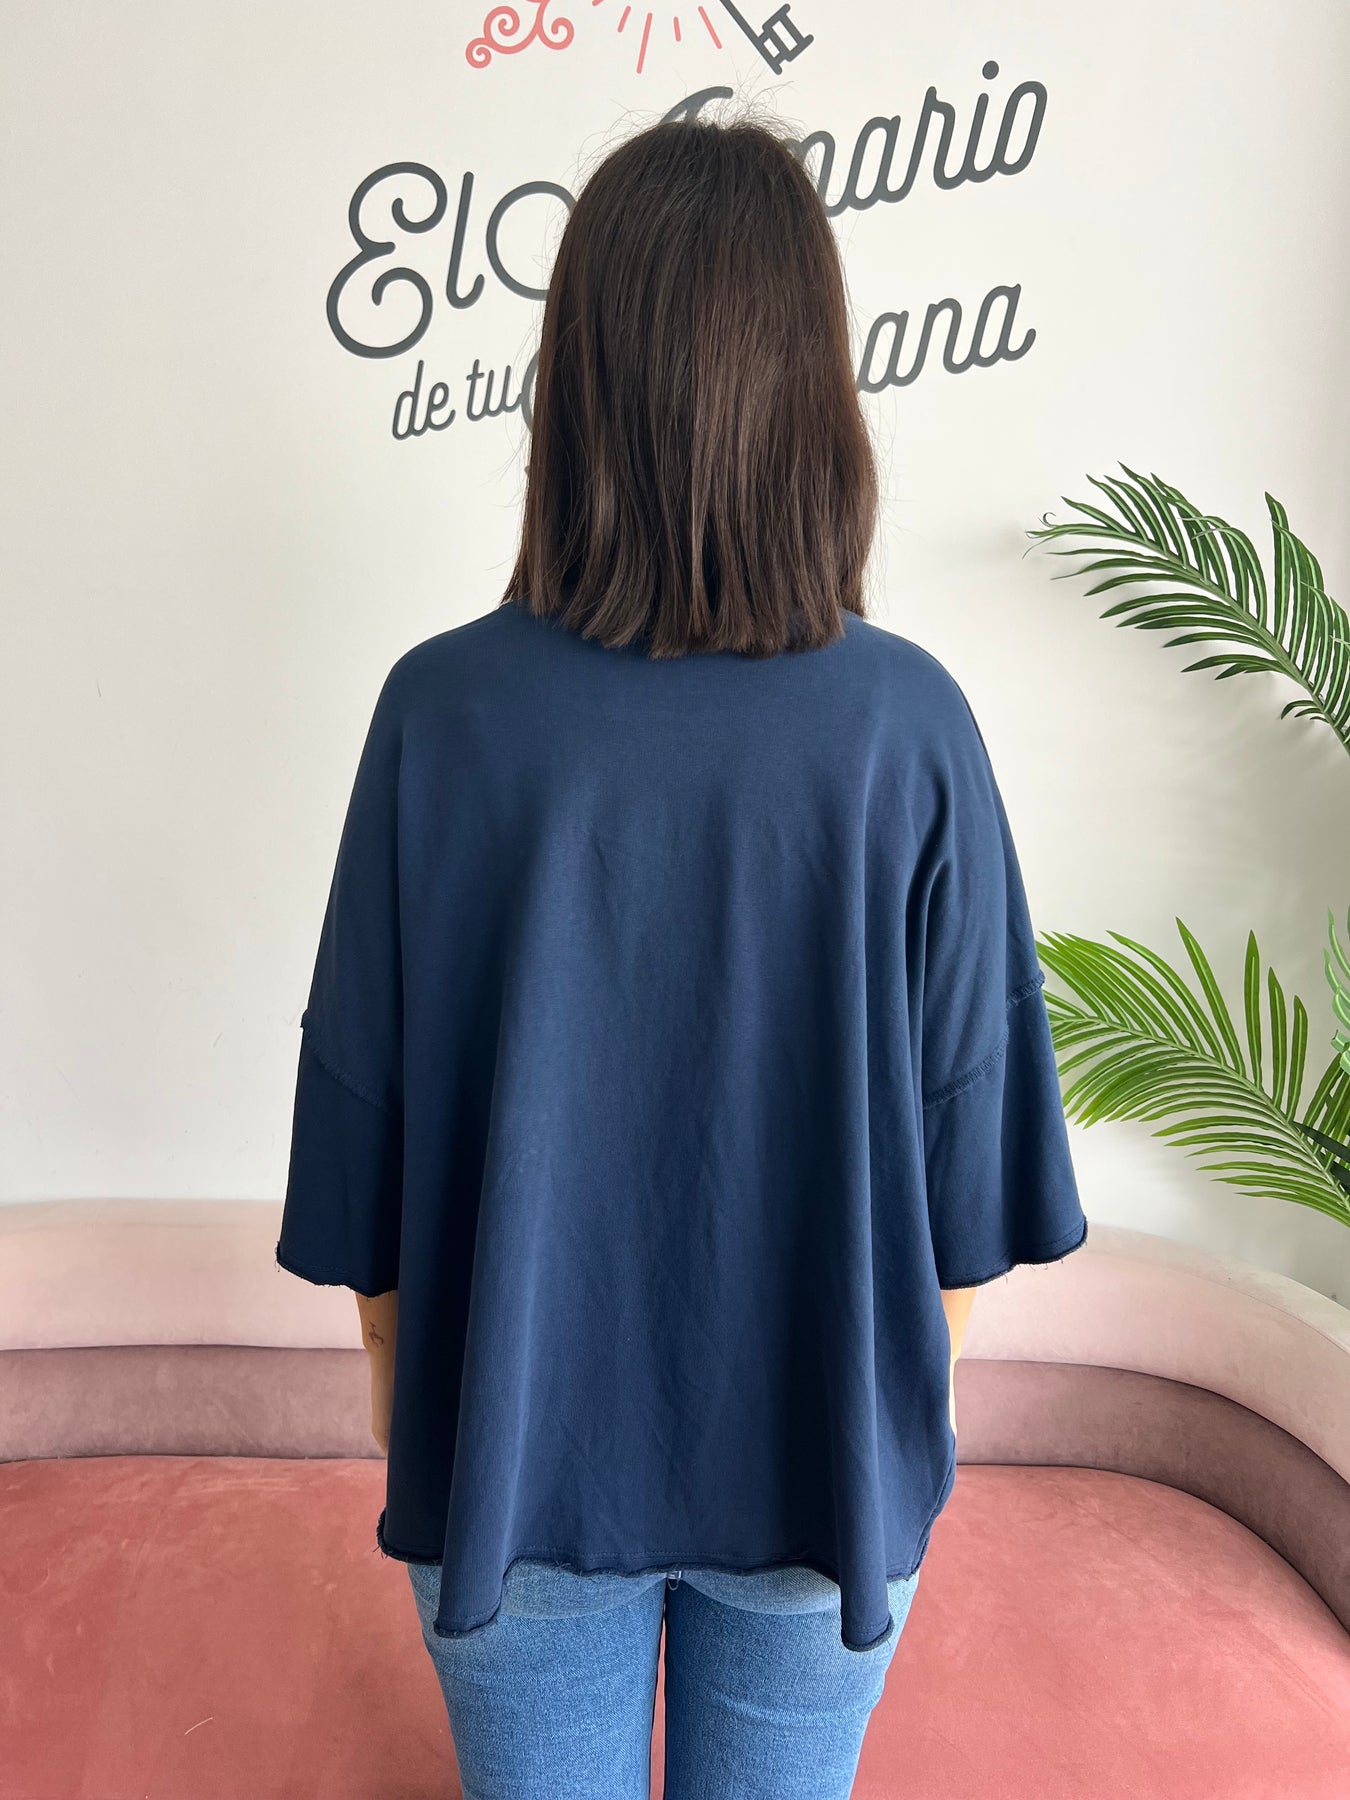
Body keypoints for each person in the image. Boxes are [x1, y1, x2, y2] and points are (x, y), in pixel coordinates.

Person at [275, 109, 1089, 1800]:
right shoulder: (908, 732)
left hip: (505, 1473)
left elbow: (368, 1169)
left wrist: (426, 1416)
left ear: (572, 382)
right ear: (814, 396)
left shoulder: (440, 719)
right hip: (823, 1484)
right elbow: (961, 1220)